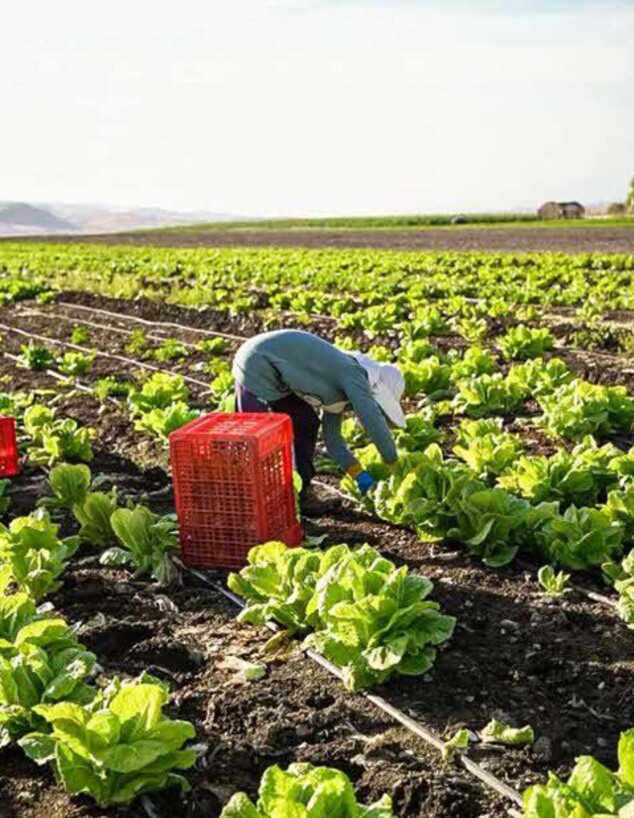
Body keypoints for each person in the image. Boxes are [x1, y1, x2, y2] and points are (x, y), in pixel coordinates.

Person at [232, 329, 406, 504]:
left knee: (305, 421)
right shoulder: (354, 374)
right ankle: (262, 502)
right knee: (259, 441)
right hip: (257, 364)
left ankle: (302, 492)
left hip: (272, 373)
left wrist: (359, 475)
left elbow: (333, 441)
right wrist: (395, 466)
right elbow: (372, 421)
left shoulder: (335, 387)